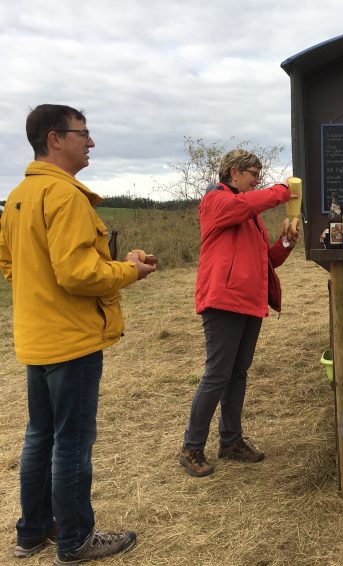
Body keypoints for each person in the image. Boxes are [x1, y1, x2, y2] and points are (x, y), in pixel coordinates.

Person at [0, 104, 157, 563]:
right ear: (55, 138)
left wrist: (40, 291)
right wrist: (130, 270)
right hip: (72, 340)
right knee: (71, 441)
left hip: (37, 338)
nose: (90, 142)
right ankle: (75, 539)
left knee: (40, 435)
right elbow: (79, 274)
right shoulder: (65, 196)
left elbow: (9, 264)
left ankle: (32, 533)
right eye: (82, 133)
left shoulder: (18, 197)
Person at [179, 149, 299, 477]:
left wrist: (285, 244)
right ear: (234, 172)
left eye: (260, 176)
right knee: (217, 374)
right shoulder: (216, 201)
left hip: (249, 302)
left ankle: (230, 441)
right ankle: (191, 447)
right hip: (223, 301)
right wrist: (282, 192)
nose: (257, 181)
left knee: (237, 374)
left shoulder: (250, 217)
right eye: (253, 175)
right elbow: (243, 205)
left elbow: (266, 260)